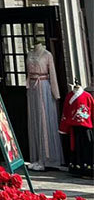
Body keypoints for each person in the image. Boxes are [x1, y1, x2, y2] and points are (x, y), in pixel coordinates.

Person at [25, 41, 64, 171]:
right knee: (35, 119)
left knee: (44, 119)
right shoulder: (30, 53)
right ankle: (36, 157)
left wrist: (55, 92)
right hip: (32, 87)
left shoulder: (47, 55)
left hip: (43, 86)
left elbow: (52, 73)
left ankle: (47, 157)